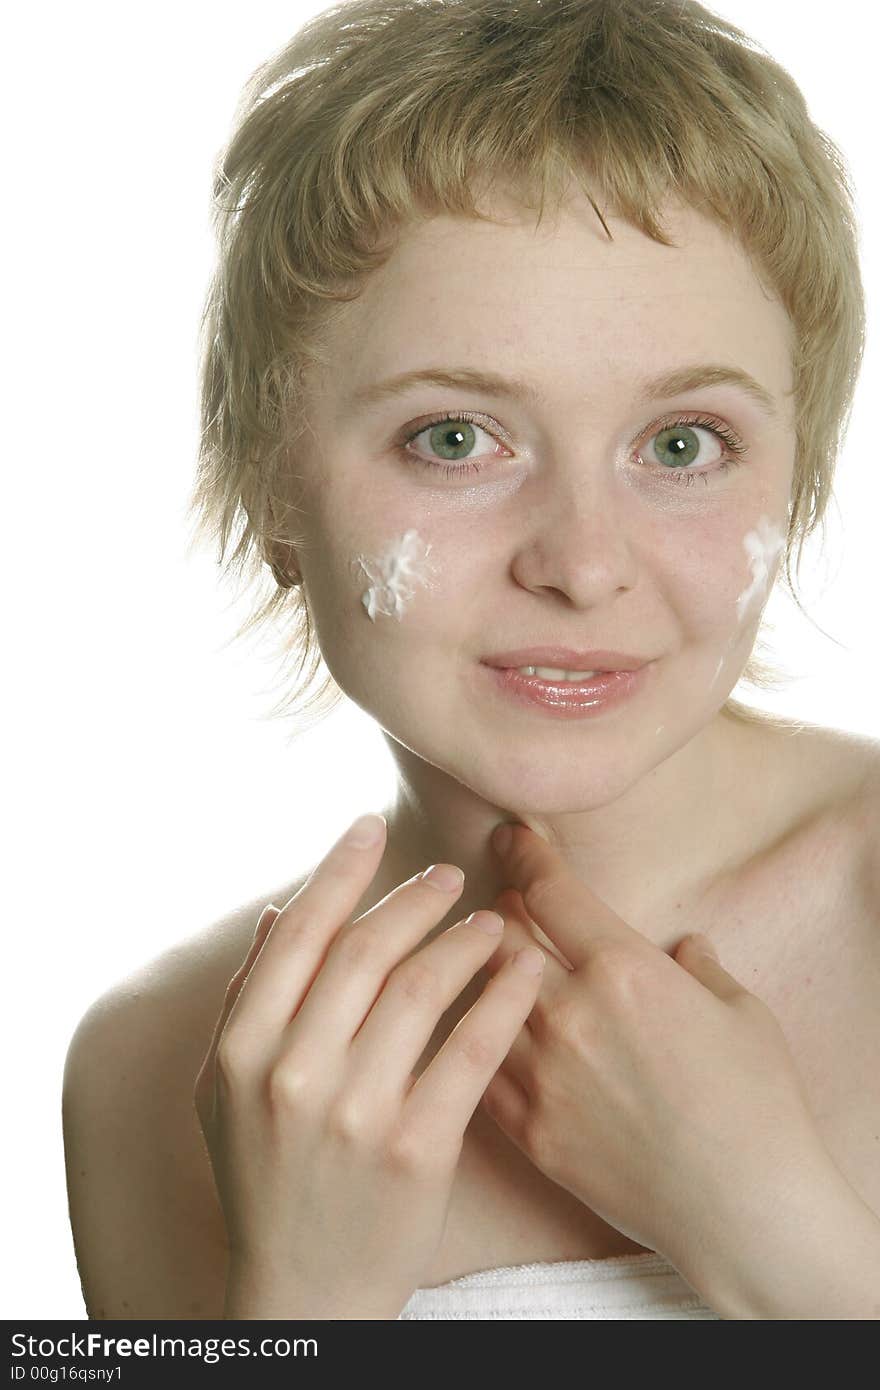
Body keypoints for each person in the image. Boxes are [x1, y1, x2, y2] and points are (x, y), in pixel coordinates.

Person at [62, 0, 880, 1320]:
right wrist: (306, 1300)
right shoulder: (156, 1068)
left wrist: (771, 1224)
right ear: (273, 486)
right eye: (457, 439)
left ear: (806, 469)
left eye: (682, 445)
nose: (582, 561)